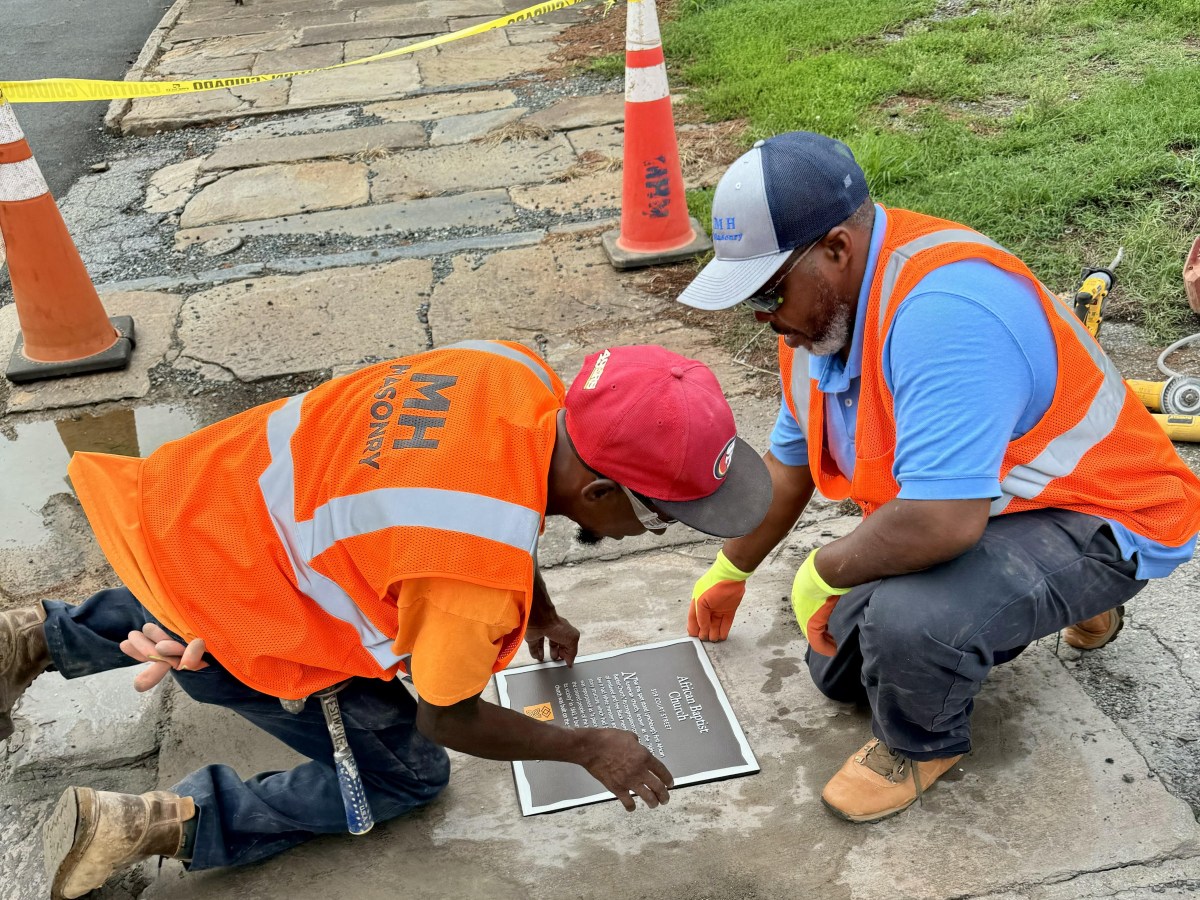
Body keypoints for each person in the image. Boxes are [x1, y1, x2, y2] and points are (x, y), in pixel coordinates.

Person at [0, 340, 771, 899]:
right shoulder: (469, 583)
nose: (659, 529)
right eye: (663, 519)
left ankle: (33, 635)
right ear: (602, 493)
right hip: (235, 603)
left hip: (188, 508)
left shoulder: (511, 370)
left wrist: (543, 606)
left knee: (221, 569)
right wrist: (587, 747)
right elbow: (449, 718)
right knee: (407, 774)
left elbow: (488, 494)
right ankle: (157, 822)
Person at [676, 131, 1200, 823]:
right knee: (839, 670)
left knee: (912, 626)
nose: (764, 317)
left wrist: (824, 569)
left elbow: (939, 522)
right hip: (997, 512)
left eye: (769, 291)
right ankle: (1054, 603)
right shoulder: (818, 323)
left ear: (837, 249)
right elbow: (790, 463)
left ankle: (921, 747)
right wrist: (730, 570)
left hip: (1100, 512)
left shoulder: (946, 314)